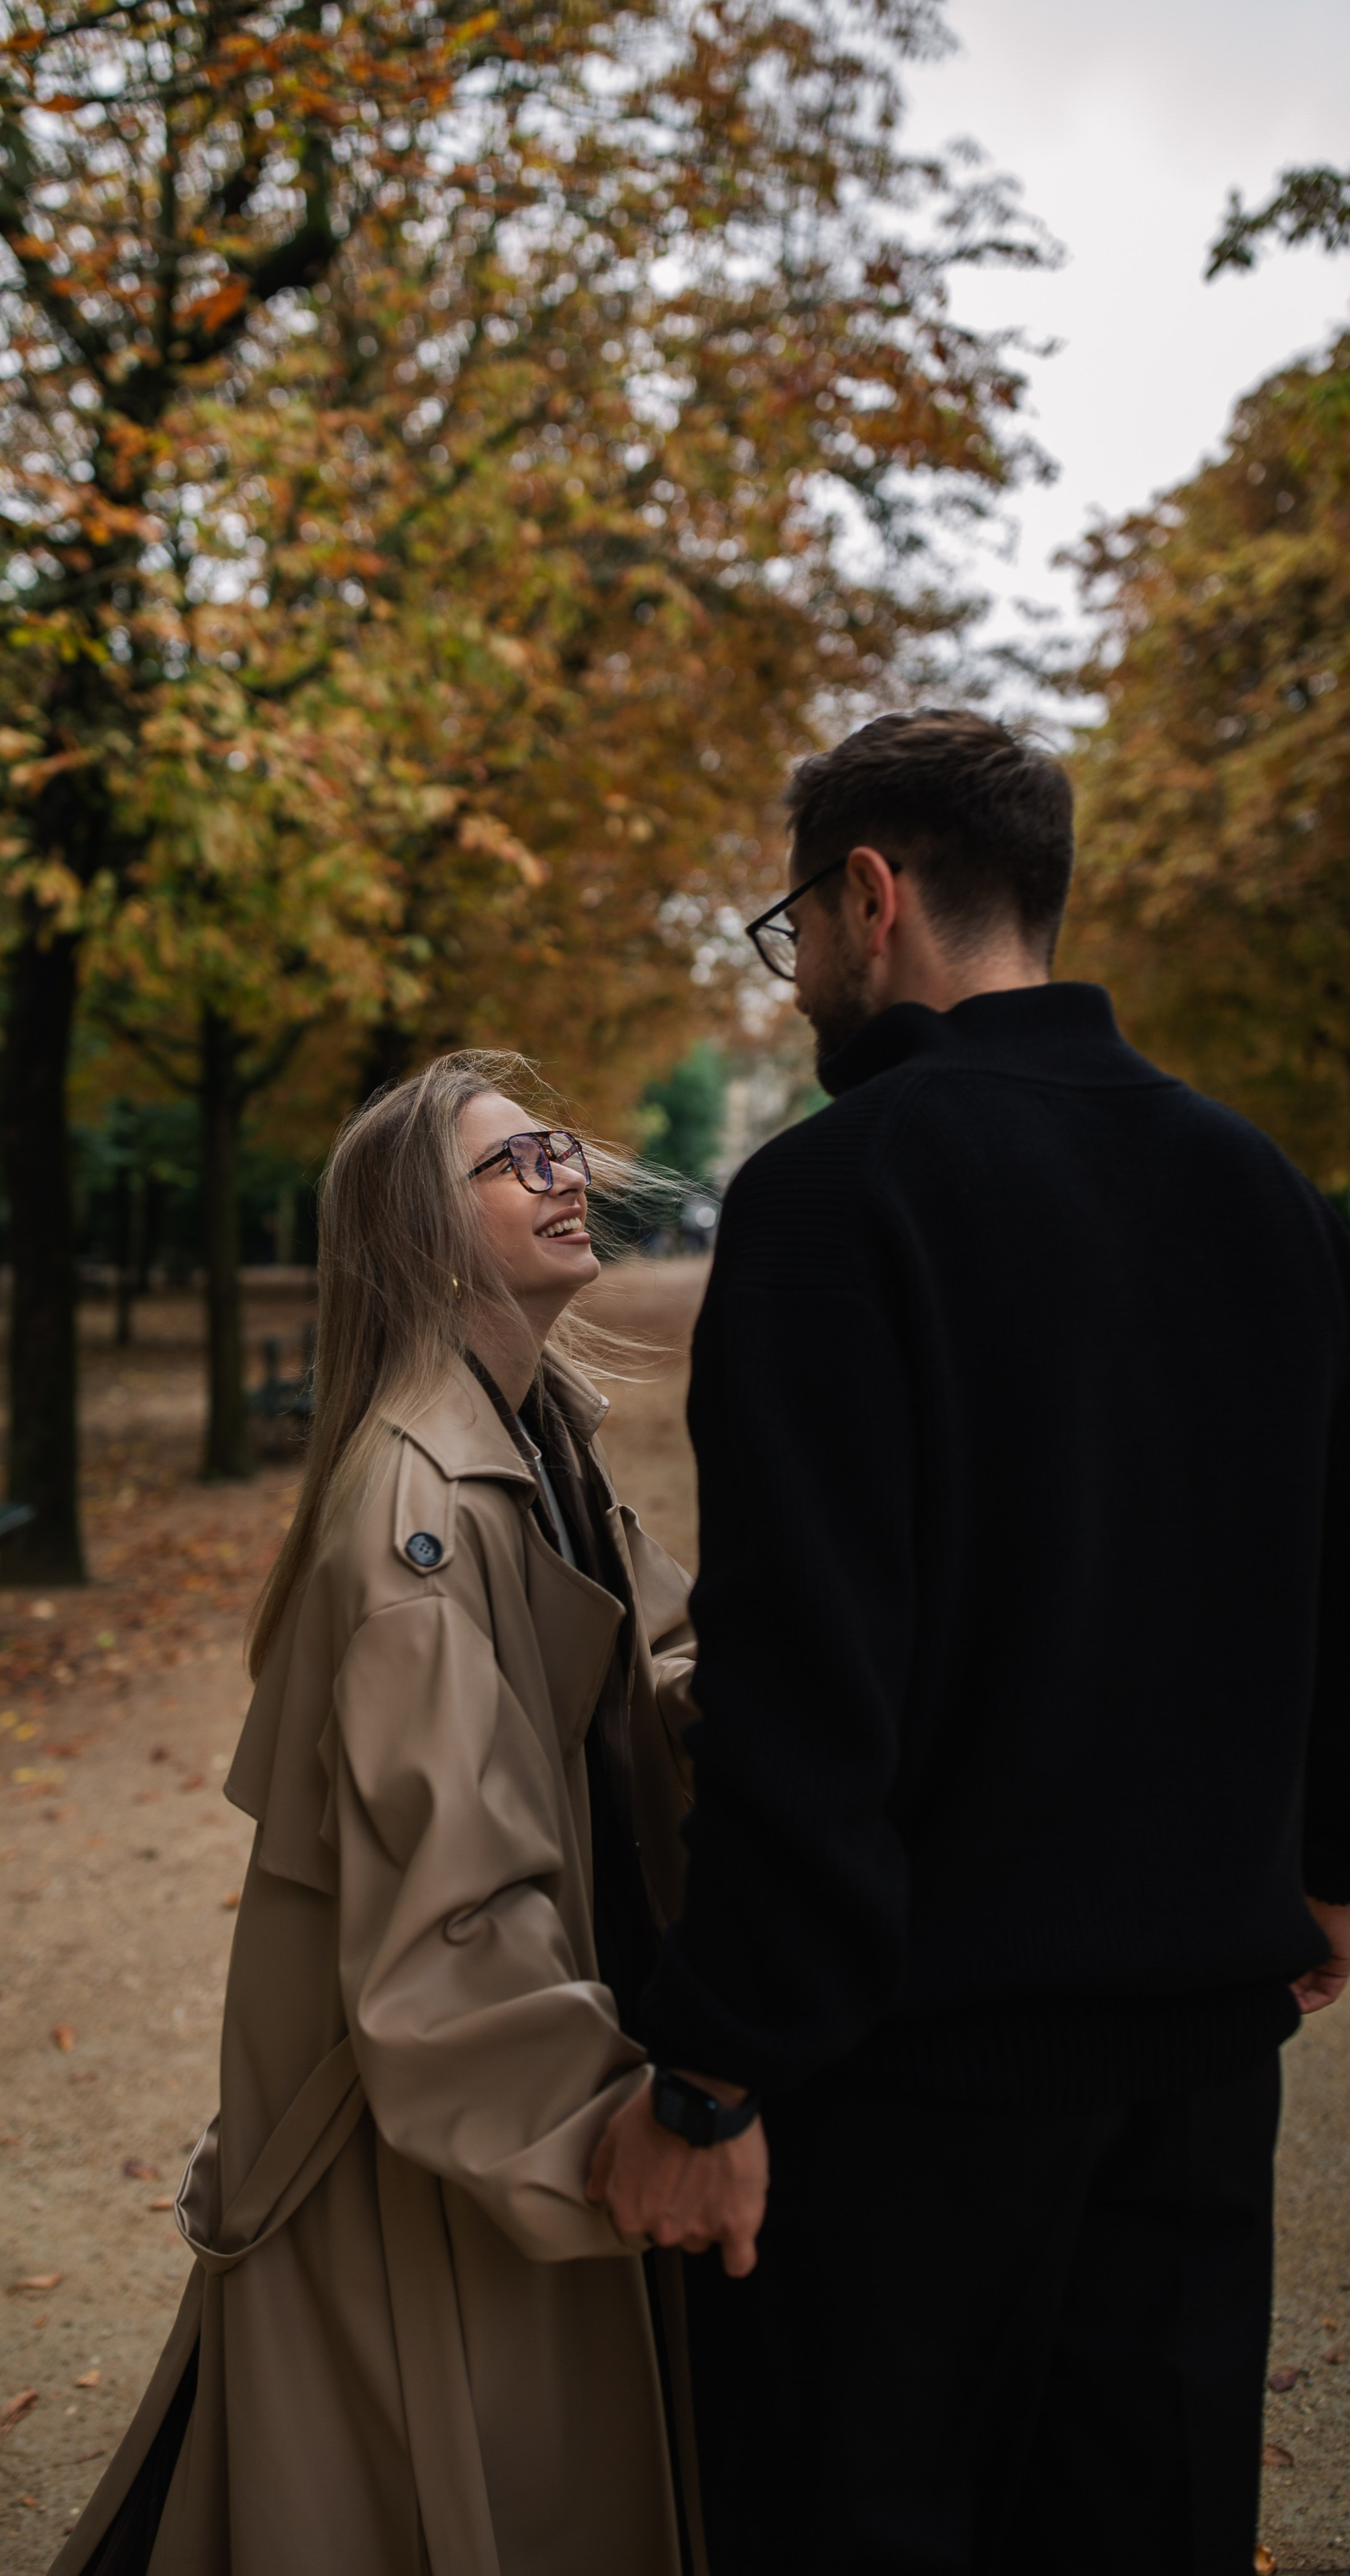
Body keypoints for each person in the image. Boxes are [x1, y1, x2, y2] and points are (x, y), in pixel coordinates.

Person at [590, 708, 1350, 2576]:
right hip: (1198, 2063)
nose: (799, 985)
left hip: (910, 2086)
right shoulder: (1258, 1185)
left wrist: (715, 2071)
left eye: (795, 931)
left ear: (871, 897)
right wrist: (1327, 1864)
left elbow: (804, 1676)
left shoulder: (839, 1196)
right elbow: (1333, 1560)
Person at [53, 1051, 705, 2576]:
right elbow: (449, 1929)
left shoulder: (538, 1435)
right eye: (511, 1162)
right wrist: (621, 2144)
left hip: (488, 2092)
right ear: (420, 1231)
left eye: (558, 1147)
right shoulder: (421, 1506)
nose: (563, 1173)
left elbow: (650, 1663)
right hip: (431, 2145)